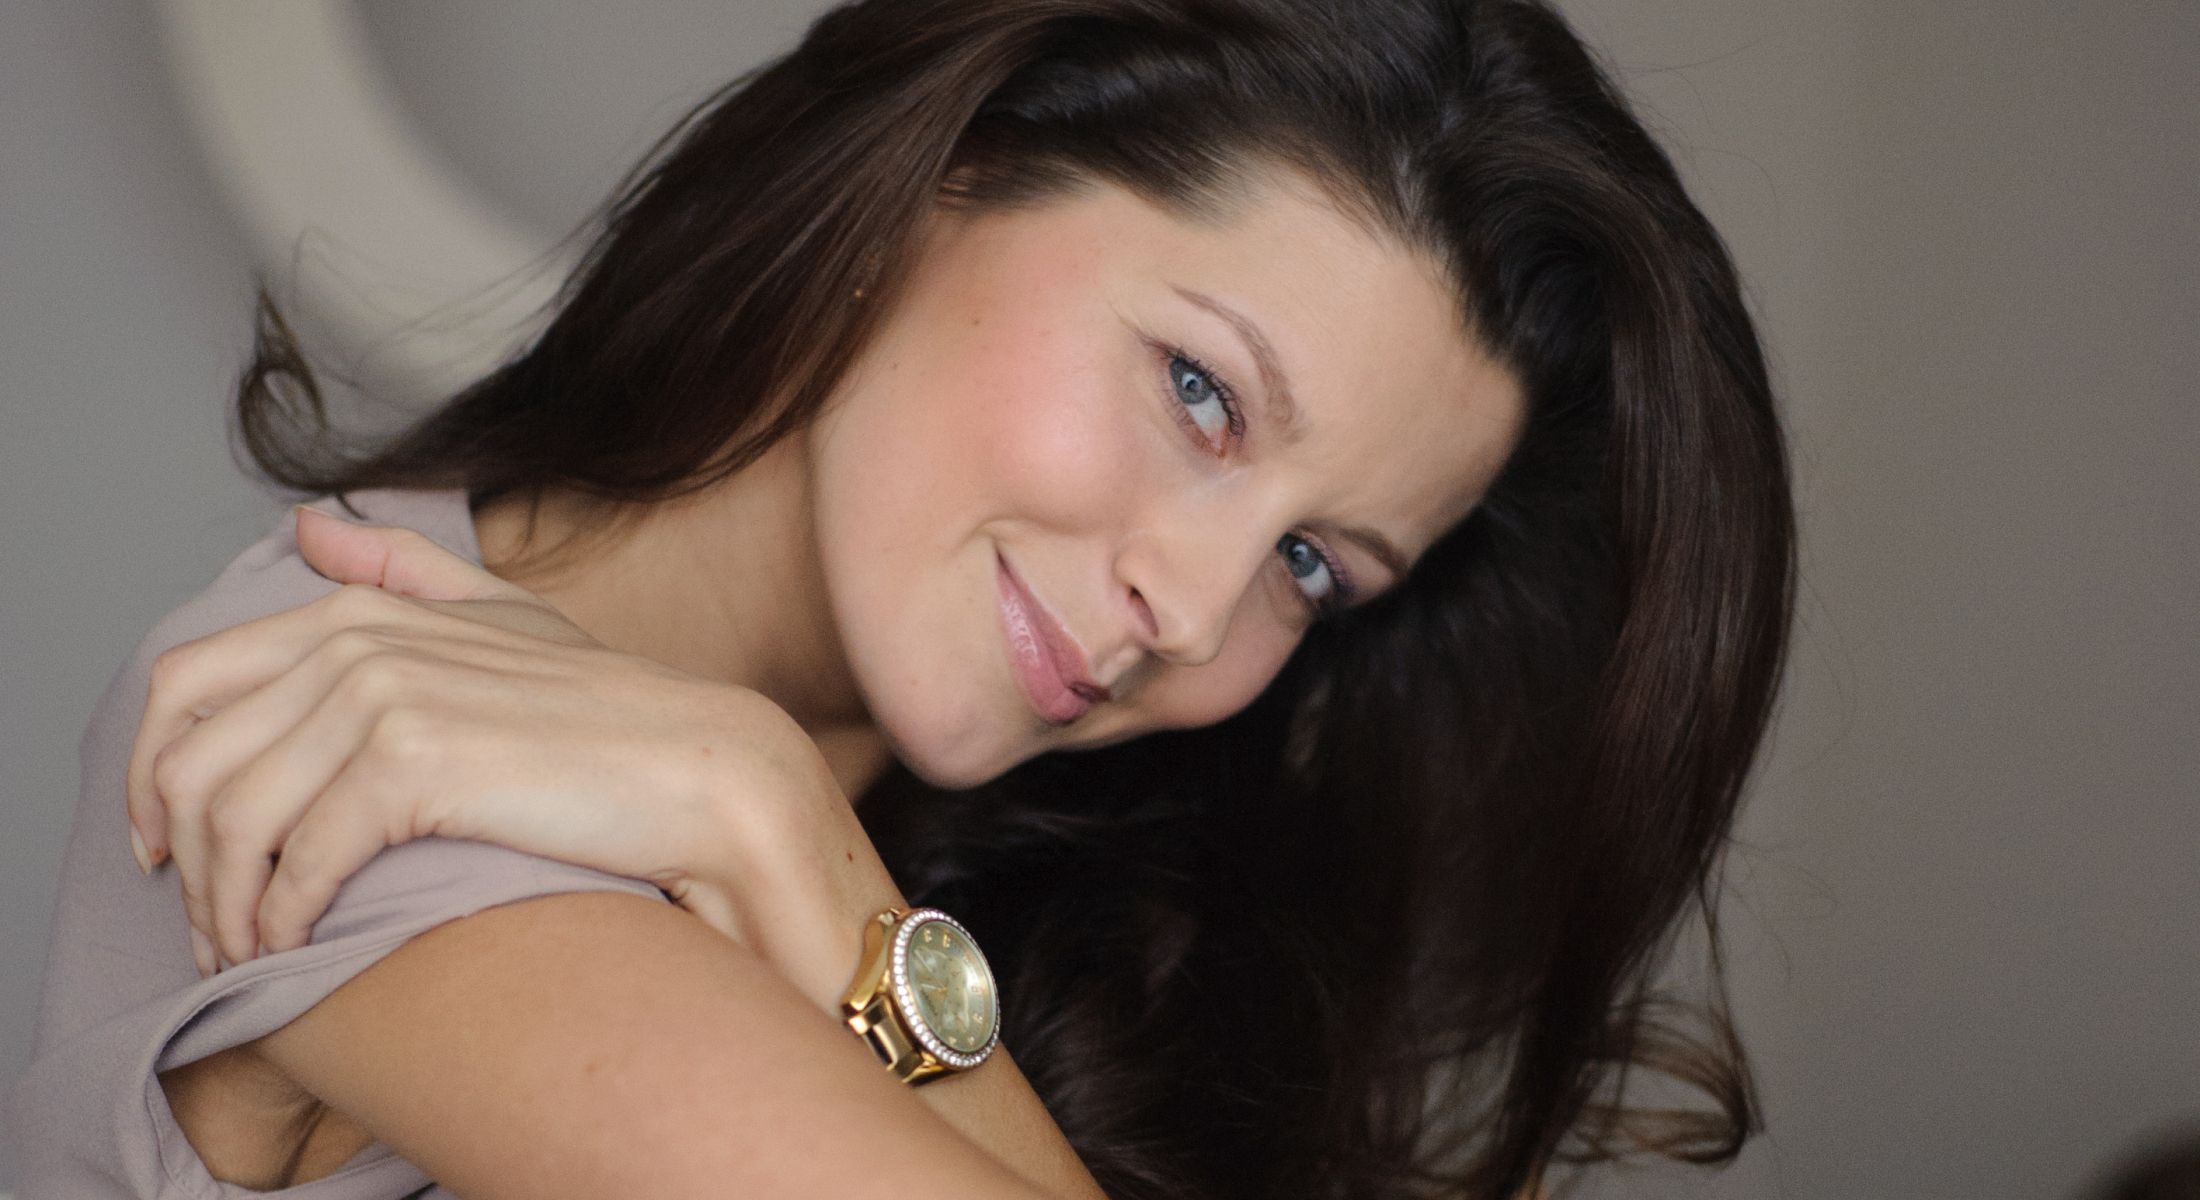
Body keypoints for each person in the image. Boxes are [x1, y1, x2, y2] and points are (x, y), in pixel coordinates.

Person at [11, 0, 1796, 1196]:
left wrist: (782, 826)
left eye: (1312, 567)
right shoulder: (360, 732)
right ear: (953, 171)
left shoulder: (982, 873)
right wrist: (763, 809)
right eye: (1199, 393)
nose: (1186, 606)